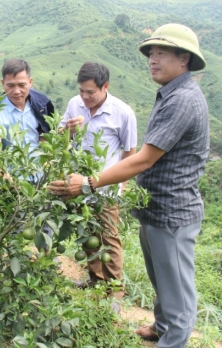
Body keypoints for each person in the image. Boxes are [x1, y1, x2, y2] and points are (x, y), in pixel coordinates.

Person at [48, 23, 209, 348]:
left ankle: (171, 338)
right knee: (163, 279)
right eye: (151, 53)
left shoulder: (183, 101)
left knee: (177, 290)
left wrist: (91, 183)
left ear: (185, 59)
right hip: (156, 208)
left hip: (173, 211)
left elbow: (141, 158)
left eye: (161, 53)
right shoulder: (171, 94)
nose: (153, 59)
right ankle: (160, 327)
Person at [59, 62, 137, 300]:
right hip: (78, 184)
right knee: (88, 235)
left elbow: (130, 153)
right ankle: (95, 281)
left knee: (108, 237)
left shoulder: (123, 113)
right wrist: (68, 132)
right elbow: (60, 138)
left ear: (105, 87)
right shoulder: (75, 104)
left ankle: (115, 291)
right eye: (82, 90)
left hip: (105, 187)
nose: (85, 96)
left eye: (90, 92)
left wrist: (122, 186)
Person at [0, 58, 54, 249]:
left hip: (41, 178)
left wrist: (48, 162)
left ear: (30, 82)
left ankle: (46, 266)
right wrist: (5, 177)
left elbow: (44, 135)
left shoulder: (39, 104)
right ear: (3, 84)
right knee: (17, 232)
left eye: (22, 85)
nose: (16, 91)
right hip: (15, 182)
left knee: (45, 227)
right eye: (10, 86)